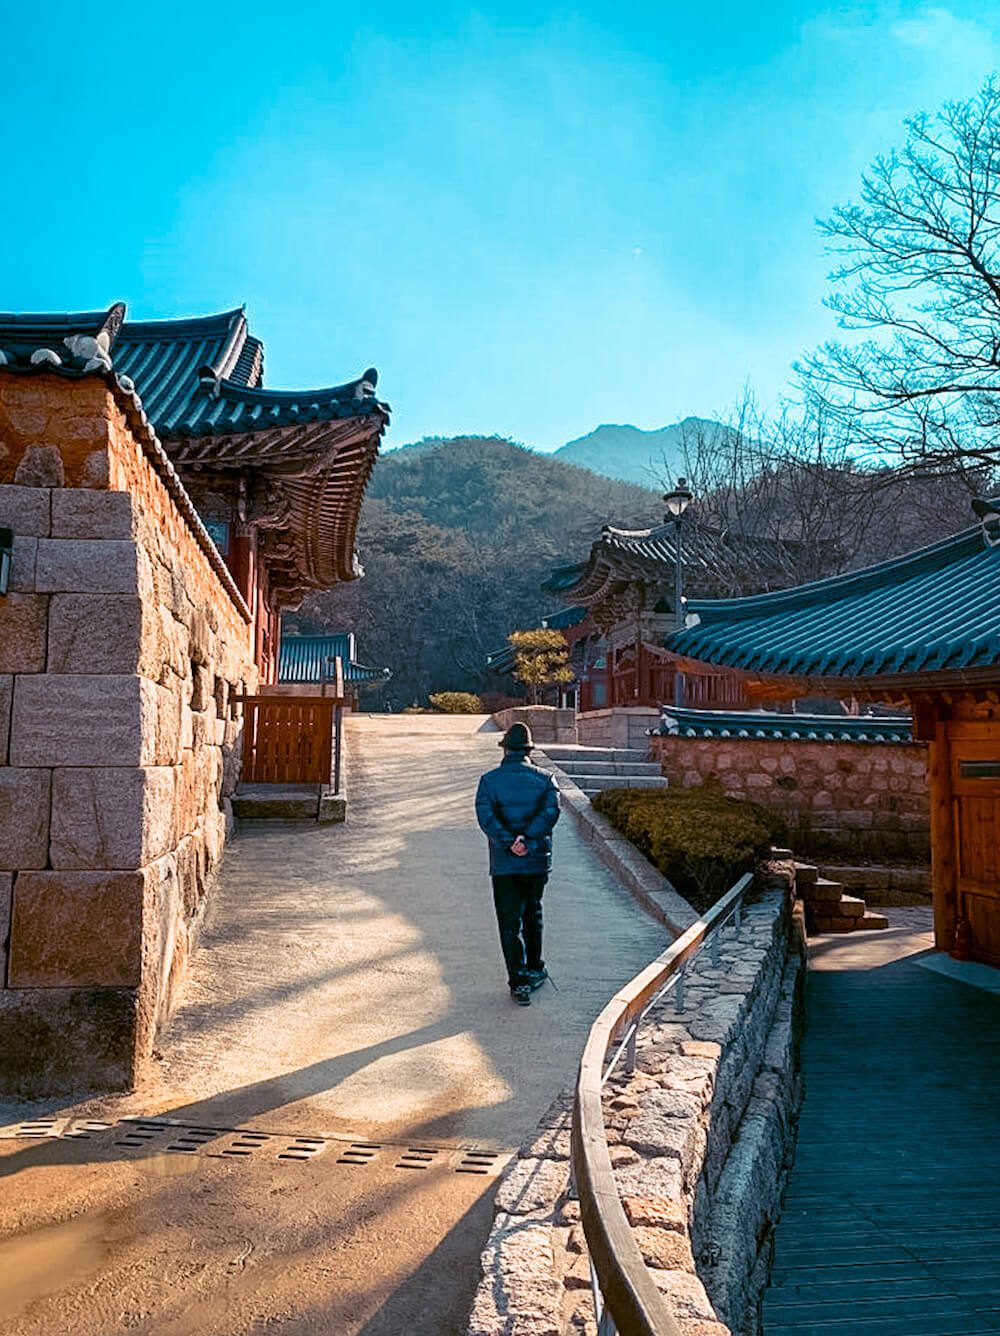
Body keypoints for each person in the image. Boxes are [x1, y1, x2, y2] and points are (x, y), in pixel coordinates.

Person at [475, 722, 560, 1006]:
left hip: (504, 862)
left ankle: (518, 980)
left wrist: (510, 841)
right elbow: (550, 814)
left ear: (505, 750)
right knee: (533, 912)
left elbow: (486, 816)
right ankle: (535, 966)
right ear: (528, 751)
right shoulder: (547, 780)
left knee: (509, 920)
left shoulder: (489, 781)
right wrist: (529, 841)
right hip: (536, 861)